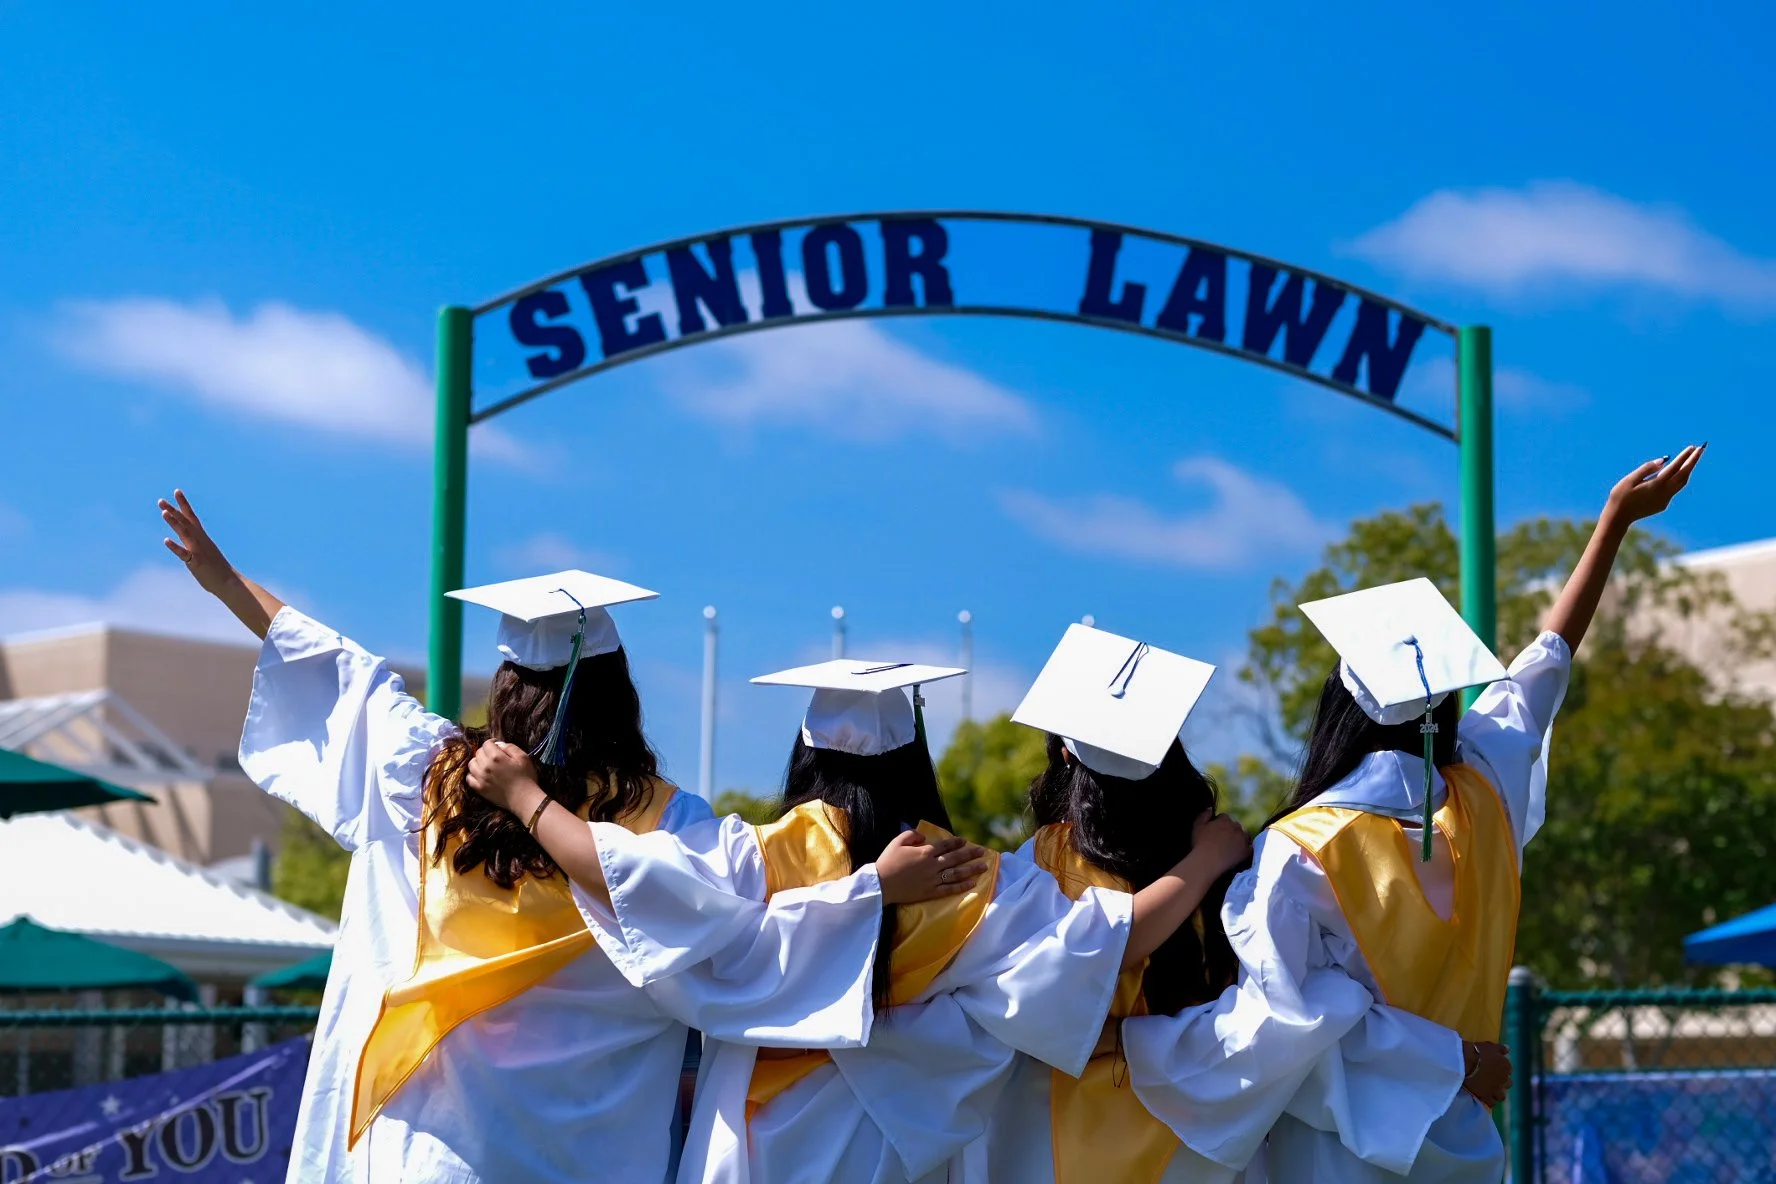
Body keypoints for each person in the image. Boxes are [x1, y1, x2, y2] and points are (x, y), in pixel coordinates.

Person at [157, 491, 984, 1184]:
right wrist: (873, 888)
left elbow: (341, 671)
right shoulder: (674, 824)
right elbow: (756, 939)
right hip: (593, 1153)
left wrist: (227, 584)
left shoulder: (427, 777)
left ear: (506, 684)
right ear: (618, 692)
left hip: (431, 1146)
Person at [1129, 444, 1705, 1183]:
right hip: (1464, 1140)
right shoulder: (1486, 793)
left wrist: (1150, 1045)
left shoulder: (1300, 849)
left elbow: (1294, 1024)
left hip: (1342, 1150)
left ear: (1339, 712)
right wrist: (1613, 525)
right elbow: (1544, 664)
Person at [465, 656, 1248, 1184]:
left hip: (752, 1137)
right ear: (915, 758)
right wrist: (1207, 857)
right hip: (883, 1142)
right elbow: (1114, 941)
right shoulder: (967, 874)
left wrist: (526, 799)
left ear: (807, 755)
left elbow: (622, 877)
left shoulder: (751, 856)